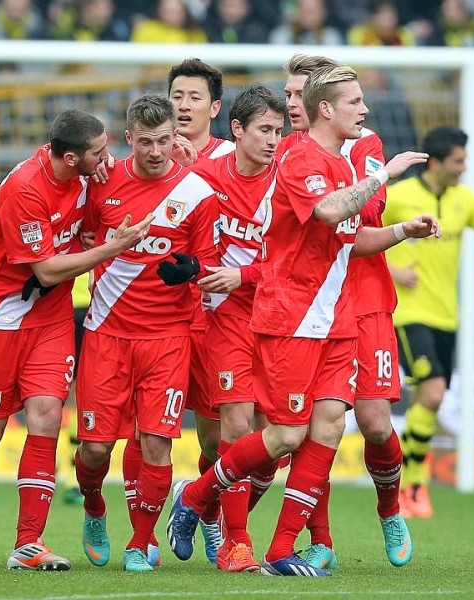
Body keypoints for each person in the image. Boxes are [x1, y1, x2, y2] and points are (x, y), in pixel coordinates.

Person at [167, 64, 437, 577]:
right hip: (291, 315)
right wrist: (384, 173)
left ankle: (280, 551)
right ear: (328, 109)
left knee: (330, 427)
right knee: (286, 437)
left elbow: (348, 239)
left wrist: (403, 228)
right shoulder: (299, 158)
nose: (365, 110)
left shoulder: (339, 164)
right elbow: (328, 213)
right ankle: (196, 496)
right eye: (355, 101)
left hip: (336, 318)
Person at [0, 109, 152, 571]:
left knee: (46, 415)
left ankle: (29, 542)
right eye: (98, 152)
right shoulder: (25, 187)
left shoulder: (90, 178)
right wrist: (110, 249)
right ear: (70, 157)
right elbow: (44, 269)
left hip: (50, 318)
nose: (108, 159)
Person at [279, 53, 416, 570]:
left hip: (365, 299)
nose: (292, 104)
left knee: (375, 422)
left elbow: (361, 220)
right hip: (309, 305)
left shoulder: (366, 145)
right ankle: (320, 540)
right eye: (288, 95)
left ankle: (389, 508)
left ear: (323, 103)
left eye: (298, 95)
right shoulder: (285, 150)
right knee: (317, 426)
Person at [74, 94, 218, 573]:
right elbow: (87, 239)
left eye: (164, 141)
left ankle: (140, 542)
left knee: (157, 441)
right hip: (106, 333)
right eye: (147, 141)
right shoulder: (103, 183)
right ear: (129, 138)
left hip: (168, 338)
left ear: (176, 137)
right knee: (94, 448)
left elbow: (209, 264)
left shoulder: (196, 192)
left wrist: (193, 269)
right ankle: (94, 505)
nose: (156, 151)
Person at [190, 83, 287, 573]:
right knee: (233, 426)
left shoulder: (288, 181)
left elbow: (298, 259)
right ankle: (237, 542)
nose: (273, 140)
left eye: (278, 130)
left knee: (277, 444)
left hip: (279, 317)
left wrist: (244, 274)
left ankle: (200, 501)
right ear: (237, 130)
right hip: (224, 318)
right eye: (264, 130)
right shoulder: (204, 176)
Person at [383, 125, 474, 519]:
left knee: (432, 396)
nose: (464, 167)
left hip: (448, 316)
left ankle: (407, 487)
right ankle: (413, 487)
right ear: (439, 163)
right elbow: (356, 233)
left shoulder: (465, 201)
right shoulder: (401, 196)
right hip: (410, 313)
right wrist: (391, 270)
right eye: (459, 161)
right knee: (433, 392)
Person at [162, 57, 234, 565]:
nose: (183, 106)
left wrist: (195, 171)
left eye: (193, 98)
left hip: (218, 316)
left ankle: (201, 503)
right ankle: (141, 537)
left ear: (214, 107)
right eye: (176, 97)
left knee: (217, 436)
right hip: (161, 316)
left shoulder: (234, 156)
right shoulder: (148, 153)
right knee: (153, 431)